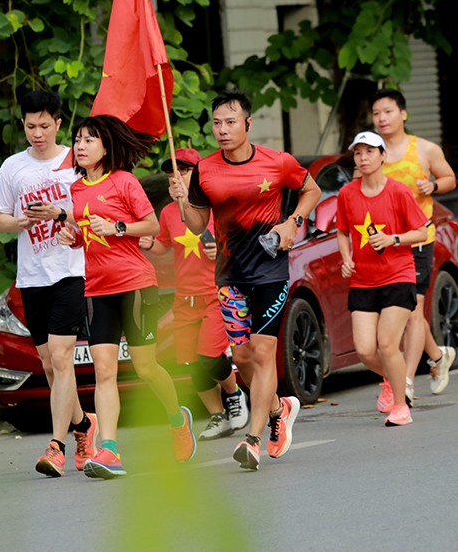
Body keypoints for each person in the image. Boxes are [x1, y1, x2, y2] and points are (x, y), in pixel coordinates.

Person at [170, 92, 322, 471]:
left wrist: (293, 221)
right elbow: (195, 223)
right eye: (217, 123)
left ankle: (252, 438)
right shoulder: (204, 171)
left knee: (262, 351)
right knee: (240, 356)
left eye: (230, 122)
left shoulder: (277, 162)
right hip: (230, 274)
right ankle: (278, 407)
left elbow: (311, 189)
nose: (222, 130)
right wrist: (182, 201)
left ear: (248, 125)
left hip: (270, 271)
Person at [58, 115, 196, 478]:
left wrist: (118, 227)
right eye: (77, 140)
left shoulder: (124, 182)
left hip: (134, 284)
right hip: (96, 288)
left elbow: (151, 225)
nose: (81, 146)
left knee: (146, 367)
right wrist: (73, 237)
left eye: (89, 140)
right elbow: (86, 232)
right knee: (103, 371)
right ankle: (111, 451)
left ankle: (176, 419)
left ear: (106, 146)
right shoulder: (75, 189)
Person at [0, 90, 96, 478]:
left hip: (69, 271)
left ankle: (57, 446)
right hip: (31, 276)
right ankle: (84, 424)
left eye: (45, 126)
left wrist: (70, 222)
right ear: (23, 125)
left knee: (63, 358)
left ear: (58, 124)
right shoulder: (13, 168)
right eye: (31, 126)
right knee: (51, 367)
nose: (38, 133)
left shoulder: (75, 163)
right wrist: (18, 223)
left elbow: (93, 210)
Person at [140, 147, 249, 440]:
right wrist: (149, 245)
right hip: (184, 299)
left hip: (215, 293)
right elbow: (164, 245)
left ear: (199, 174)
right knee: (190, 360)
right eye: (171, 173)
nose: (175, 178)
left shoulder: (217, 207)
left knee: (209, 353)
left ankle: (234, 393)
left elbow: (239, 244)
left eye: (184, 171)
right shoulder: (167, 213)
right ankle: (217, 415)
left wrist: (220, 249)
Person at [336, 131, 429, 425]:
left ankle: (401, 406)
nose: (363, 158)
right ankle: (392, 378)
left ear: (382, 156)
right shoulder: (347, 193)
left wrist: (394, 239)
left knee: (387, 343)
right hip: (363, 279)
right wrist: (347, 258)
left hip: (398, 275)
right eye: (358, 153)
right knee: (364, 349)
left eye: (370, 152)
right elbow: (341, 230)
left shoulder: (398, 191)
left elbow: (422, 232)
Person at [370, 89, 458, 400]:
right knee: (406, 313)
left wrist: (432, 185)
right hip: (384, 245)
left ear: (403, 114)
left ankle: (405, 382)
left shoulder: (424, 149)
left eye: (388, 111)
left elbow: (450, 178)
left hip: (418, 241)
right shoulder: (370, 152)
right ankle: (437, 355)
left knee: (412, 310)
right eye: (377, 113)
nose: (382, 118)